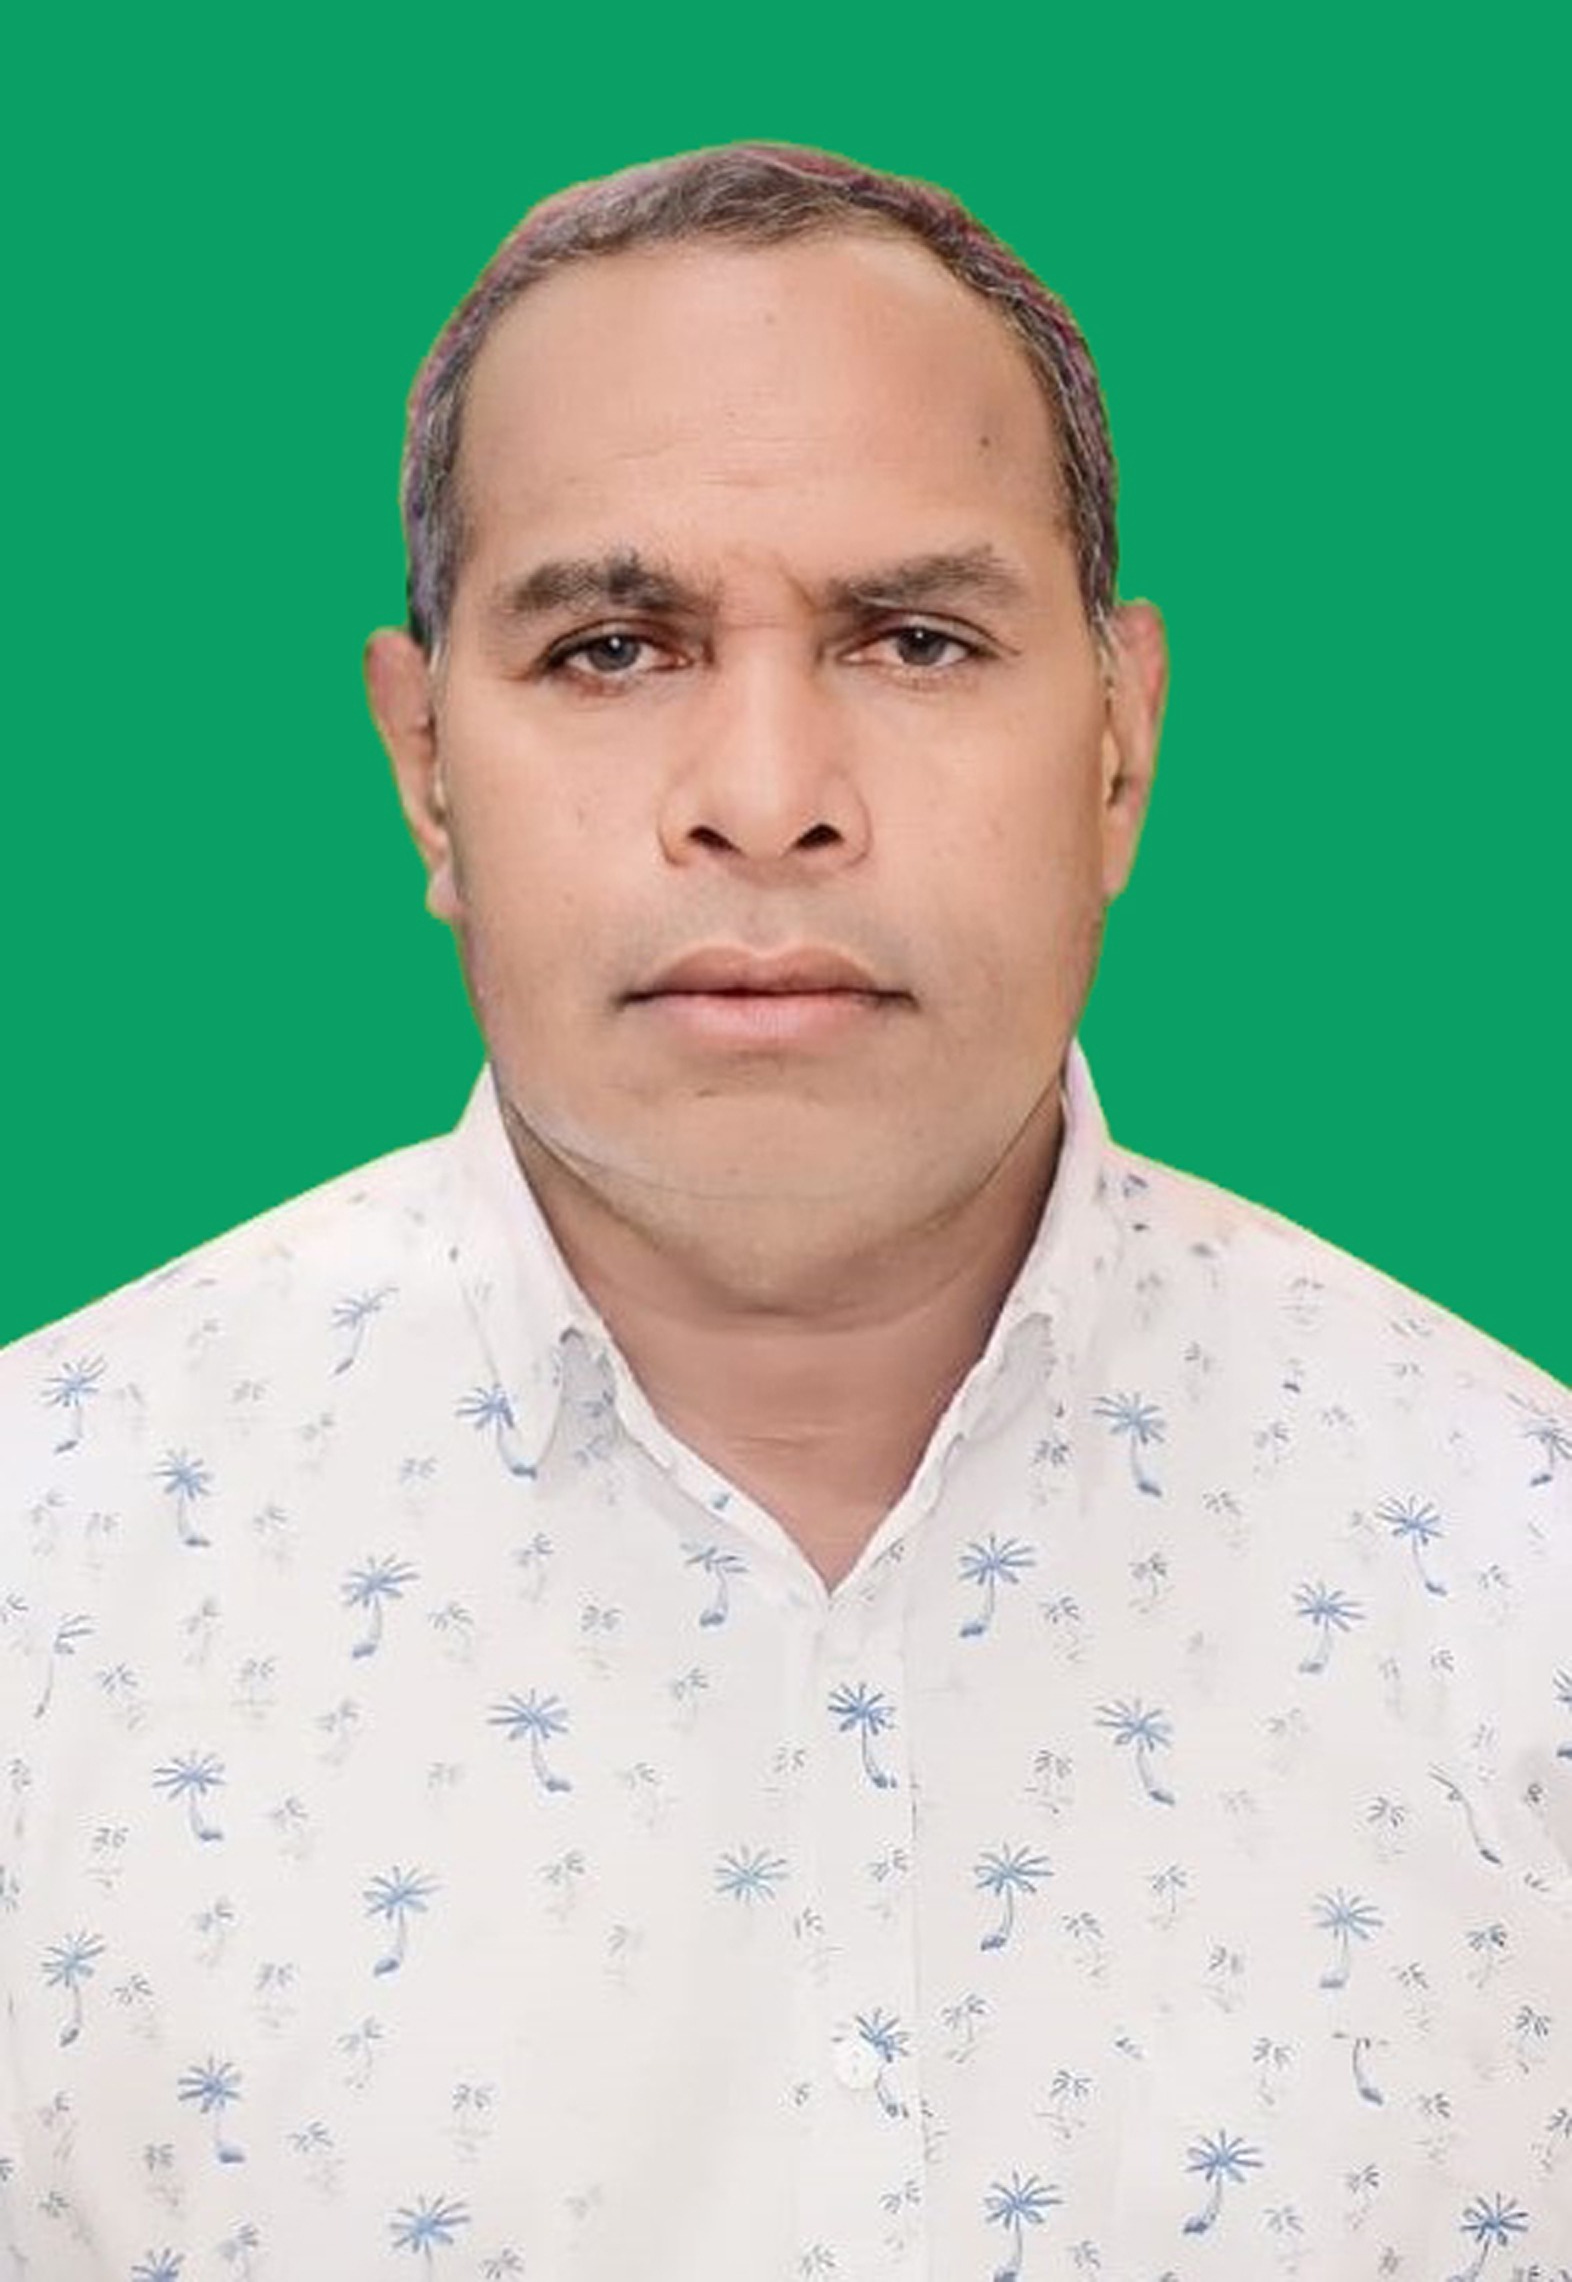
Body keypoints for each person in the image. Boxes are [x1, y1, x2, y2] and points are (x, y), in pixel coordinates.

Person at [1, 143, 1567, 2280]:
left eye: (915, 639)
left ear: (1120, 747)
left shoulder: (1520, 1588)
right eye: (612, 648)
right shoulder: (44, 1583)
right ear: (425, 765)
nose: (763, 795)